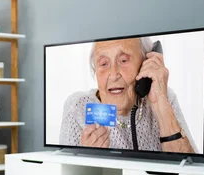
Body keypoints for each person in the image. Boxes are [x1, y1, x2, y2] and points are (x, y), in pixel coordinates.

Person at [59, 37, 197, 153]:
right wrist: (87, 159)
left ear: (145, 64)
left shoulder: (164, 97)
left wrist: (161, 106)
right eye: (103, 64)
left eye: (123, 60)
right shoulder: (78, 107)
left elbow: (191, 172)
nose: (113, 75)